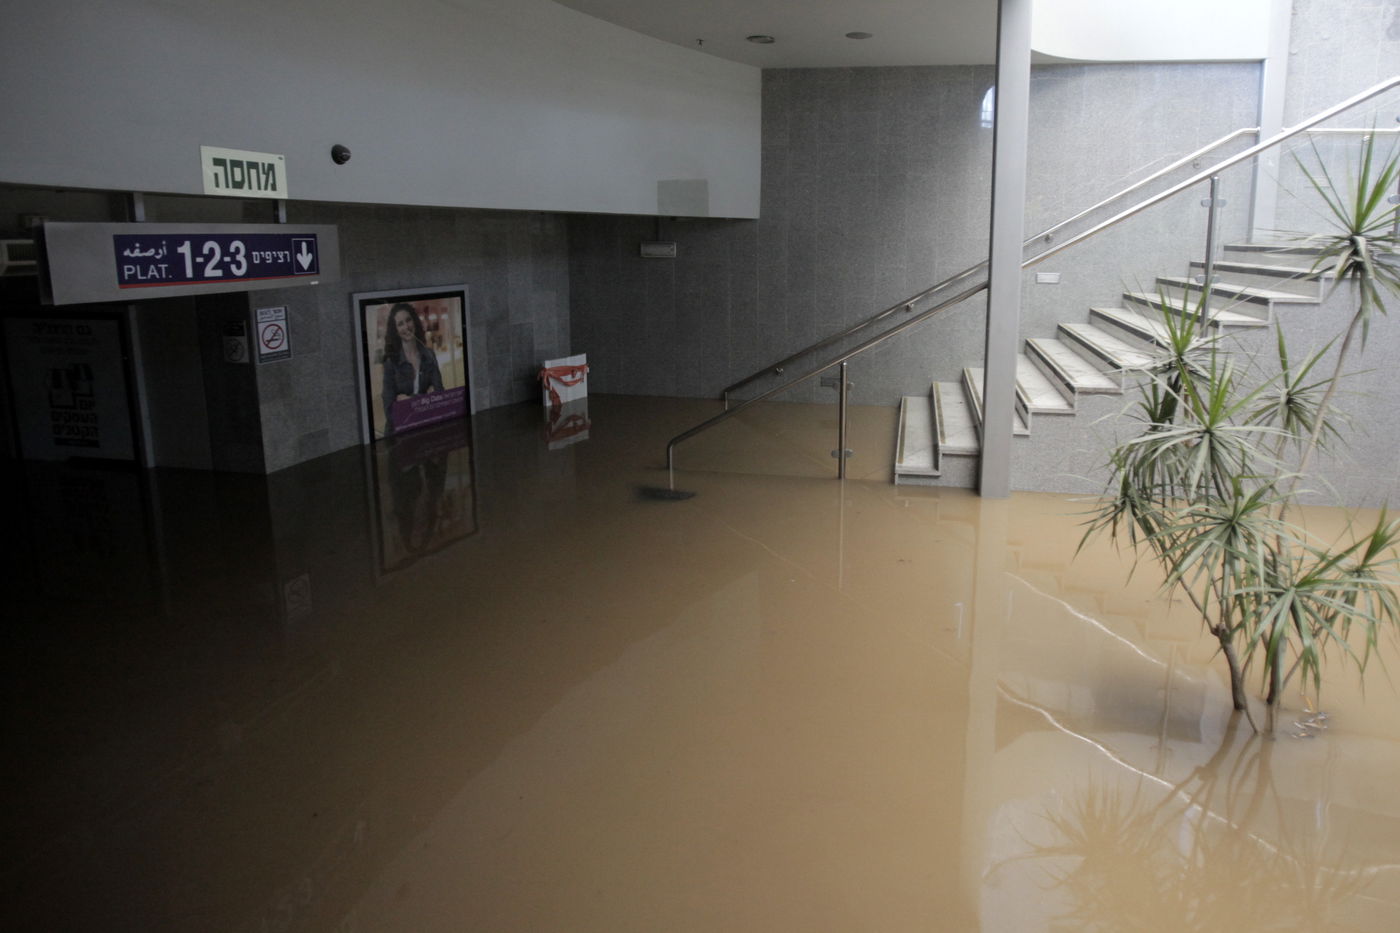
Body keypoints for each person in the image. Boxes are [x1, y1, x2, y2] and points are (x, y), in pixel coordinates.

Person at [380, 302, 444, 435]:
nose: (406, 327)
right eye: (400, 324)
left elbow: (440, 397)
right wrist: (425, 397)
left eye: (408, 320)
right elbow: (390, 411)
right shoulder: (390, 362)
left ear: (414, 321)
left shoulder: (429, 355)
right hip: (399, 435)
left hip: (427, 429)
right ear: (396, 330)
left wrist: (408, 402)